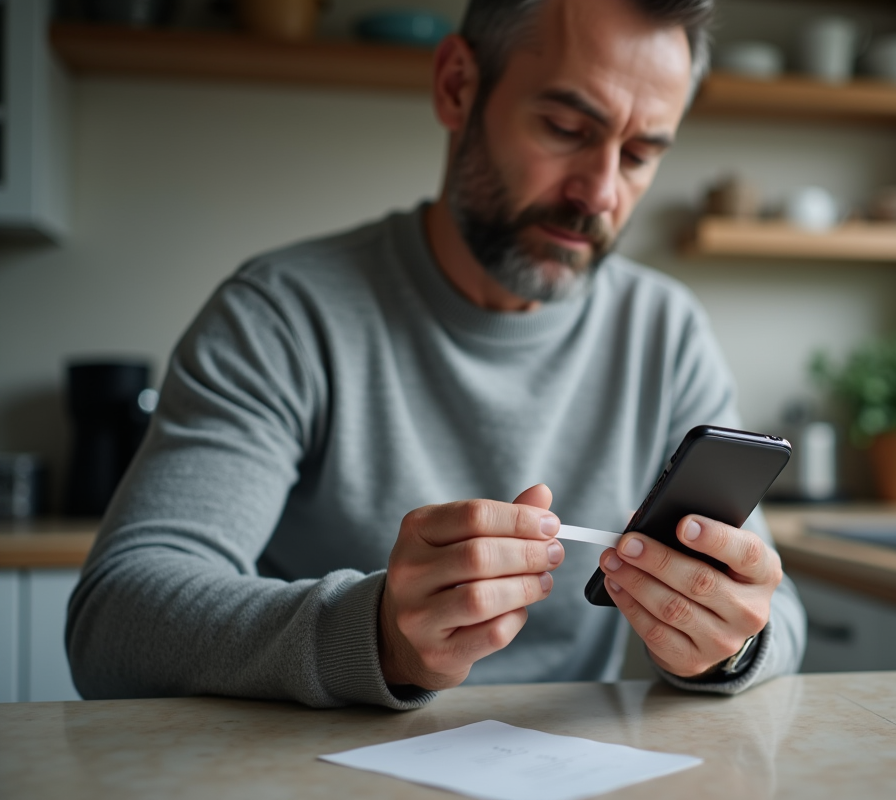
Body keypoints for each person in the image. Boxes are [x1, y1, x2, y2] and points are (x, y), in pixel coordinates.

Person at [66, 0, 806, 710]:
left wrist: (729, 639)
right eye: (564, 127)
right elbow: (116, 621)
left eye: (641, 154)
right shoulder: (282, 315)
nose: (601, 194)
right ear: (457, 86)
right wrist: (376, 636)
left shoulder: (665, 332)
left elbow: (777, 610)